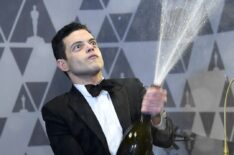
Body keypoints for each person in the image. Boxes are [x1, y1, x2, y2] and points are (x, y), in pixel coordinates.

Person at [41, 22, 175, 155]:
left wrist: (156, 115)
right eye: (78, 47)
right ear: (63, 64)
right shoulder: (57, 111)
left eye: (92, 42)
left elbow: (165, 140)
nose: (90, 47)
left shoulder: (132, 88)